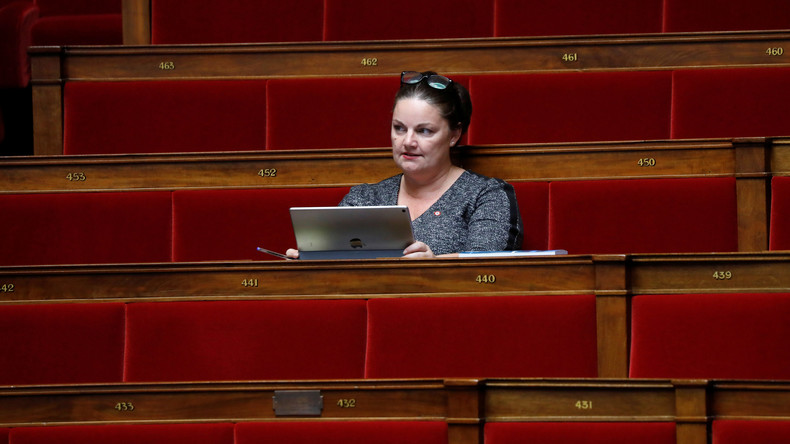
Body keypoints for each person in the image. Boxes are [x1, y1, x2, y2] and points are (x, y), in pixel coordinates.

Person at [287, 71, 523, 259]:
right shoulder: (364, 198)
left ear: (454, 135)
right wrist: (309, 263)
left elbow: (487, 269)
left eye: (424, 131)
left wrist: (434, 264)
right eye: (399, 128)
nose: (407, 142)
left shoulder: (487, 195)